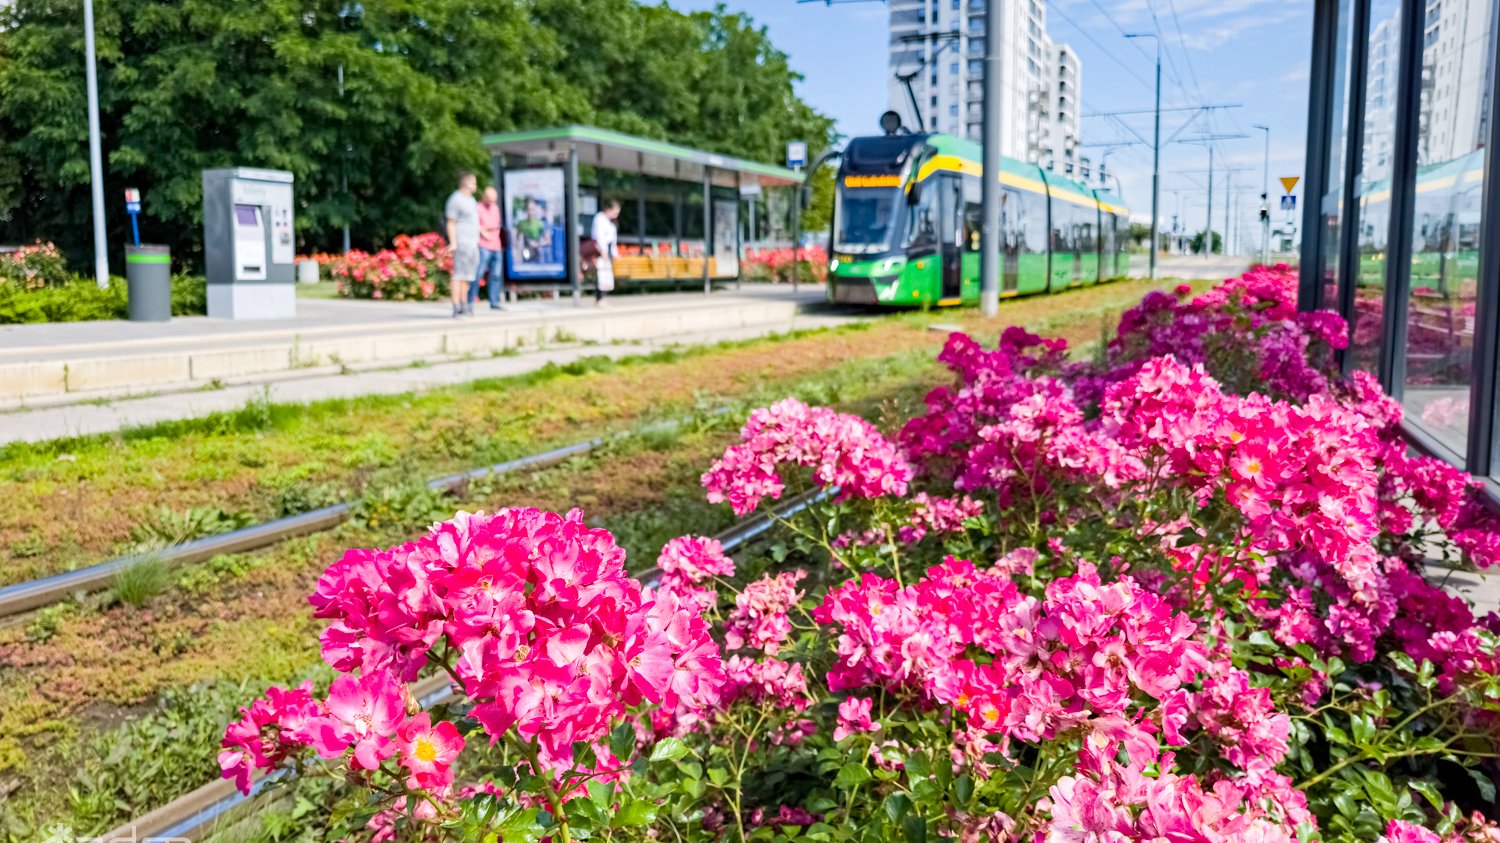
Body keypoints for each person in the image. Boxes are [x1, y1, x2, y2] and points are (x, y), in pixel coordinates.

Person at [444, 172, 480, 317]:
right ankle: (456, 306)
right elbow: (451, 222)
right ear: (466, 183)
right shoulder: (455, 199)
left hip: (472, 242)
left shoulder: (471, 200)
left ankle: (464, 303)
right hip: (462, 241)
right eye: (474, 183)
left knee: (467, 275)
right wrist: (453, 242)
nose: (476, 186)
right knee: (458, 274)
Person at [471, 186, 505, 310]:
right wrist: (482, 231)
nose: (492, 202)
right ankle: (471, 299)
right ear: (484, 197)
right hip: (483, 245)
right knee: (479, 273)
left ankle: (494, 301)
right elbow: (473, 223)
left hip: (496, 245)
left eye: (494, 200)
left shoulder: (495, 208)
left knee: (496, 274)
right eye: (490, 199)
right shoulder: (478, 208)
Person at [591, 199, 621, 307]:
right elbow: (599, 235)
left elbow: (613, 239)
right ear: (608, 209)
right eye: (615, 212)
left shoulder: (611, 222)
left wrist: (615, 253)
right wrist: (603, 251)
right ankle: (600, 299)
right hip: (600, 249)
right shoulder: (600, 218)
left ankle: (603, 298)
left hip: (608, 250)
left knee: (607, 275)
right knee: (602, 274)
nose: (616, 215)